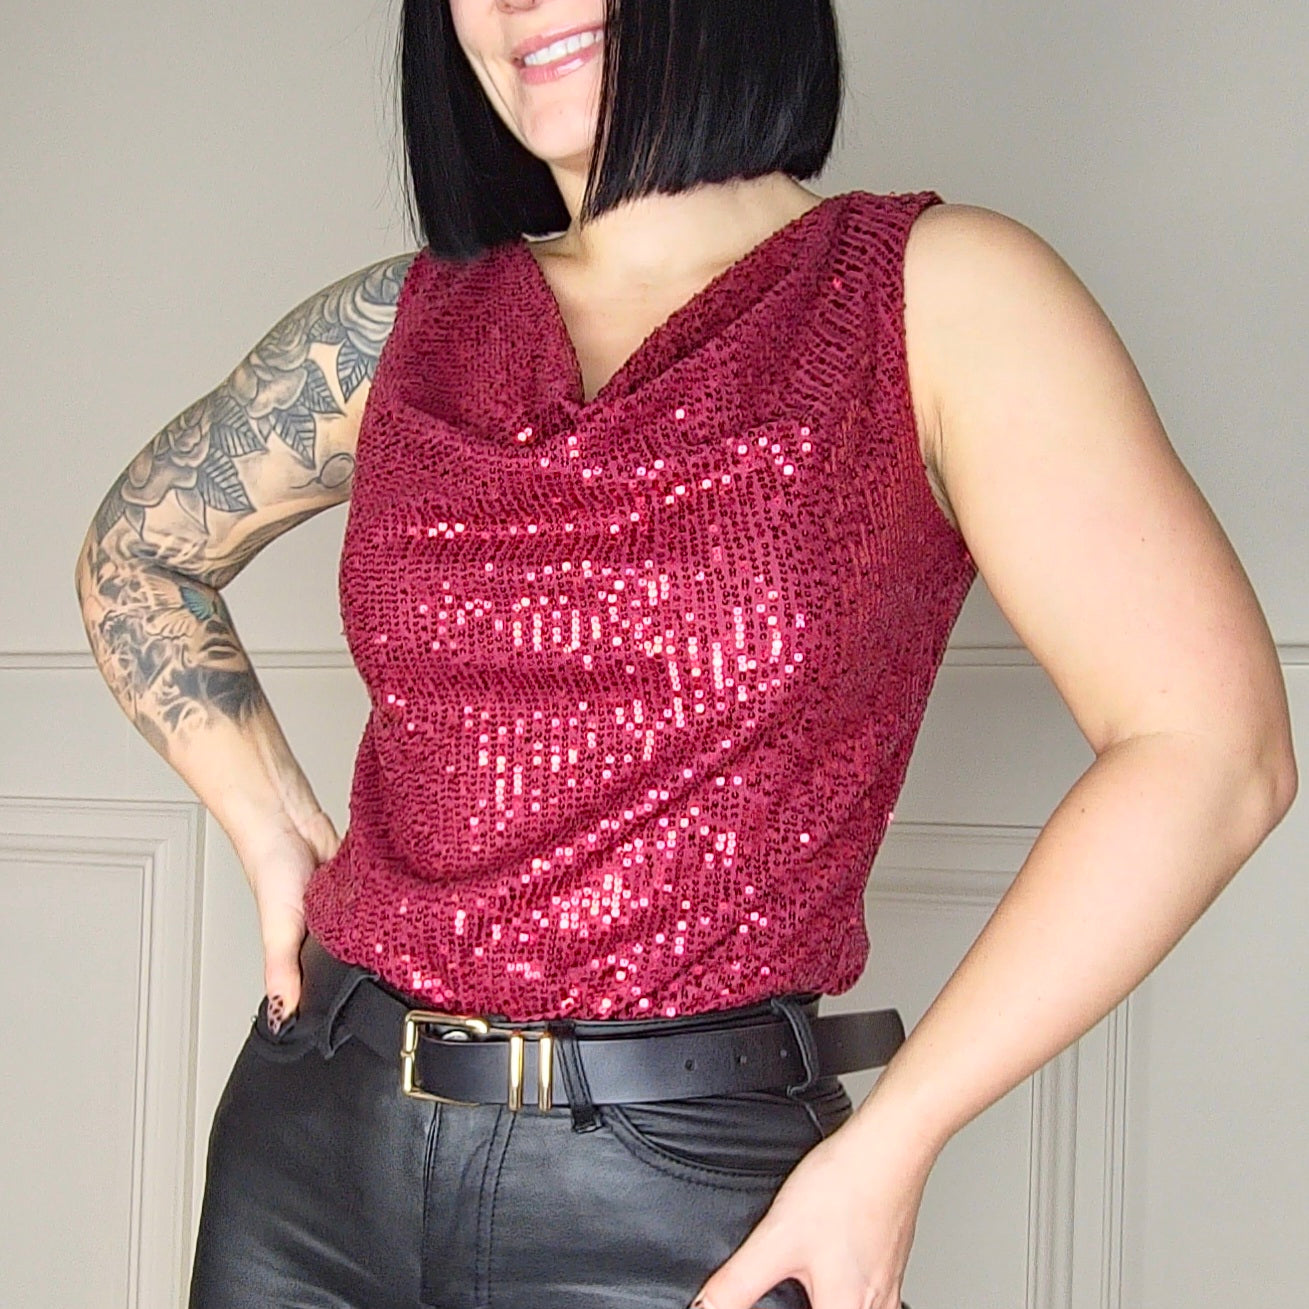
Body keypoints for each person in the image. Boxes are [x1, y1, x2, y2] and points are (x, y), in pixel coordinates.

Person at [72, 2, 1298, 1308]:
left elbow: (1212, 748)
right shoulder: (397, 324)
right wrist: (273, 830)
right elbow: (136, 549)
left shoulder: (936, 293)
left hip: (685, 1197)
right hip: (311, 1155)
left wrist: (894, 1143)